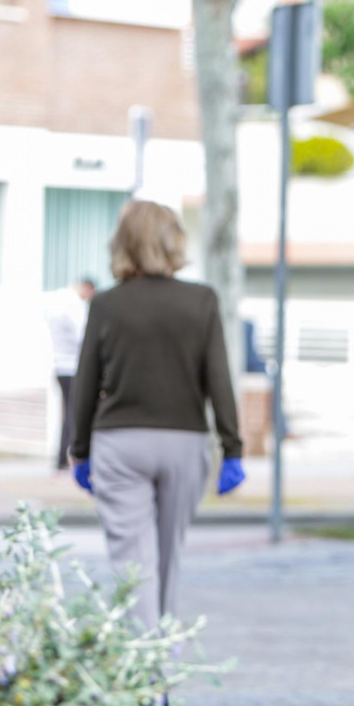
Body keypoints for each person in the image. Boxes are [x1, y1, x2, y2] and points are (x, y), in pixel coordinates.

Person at [70, 200, 246, 630]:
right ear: (174, 241)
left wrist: (79, 451)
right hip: (184, 443)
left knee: (133, 563)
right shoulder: (201, 301)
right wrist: (232, 449)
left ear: (122, 244)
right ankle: (161, 665)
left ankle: (146, 673)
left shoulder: (107, 304)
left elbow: (86, 382)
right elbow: (219, 380)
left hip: (120, 443)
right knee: (168, 559)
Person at [44, 278, 95, 471]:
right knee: (75, 414)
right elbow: (82, 336)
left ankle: (63, 458)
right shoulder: (73, 305)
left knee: (69, 414)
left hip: (60, 366)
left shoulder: (56, 303)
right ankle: (71, 457)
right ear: (87, 289)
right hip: (73, 367)